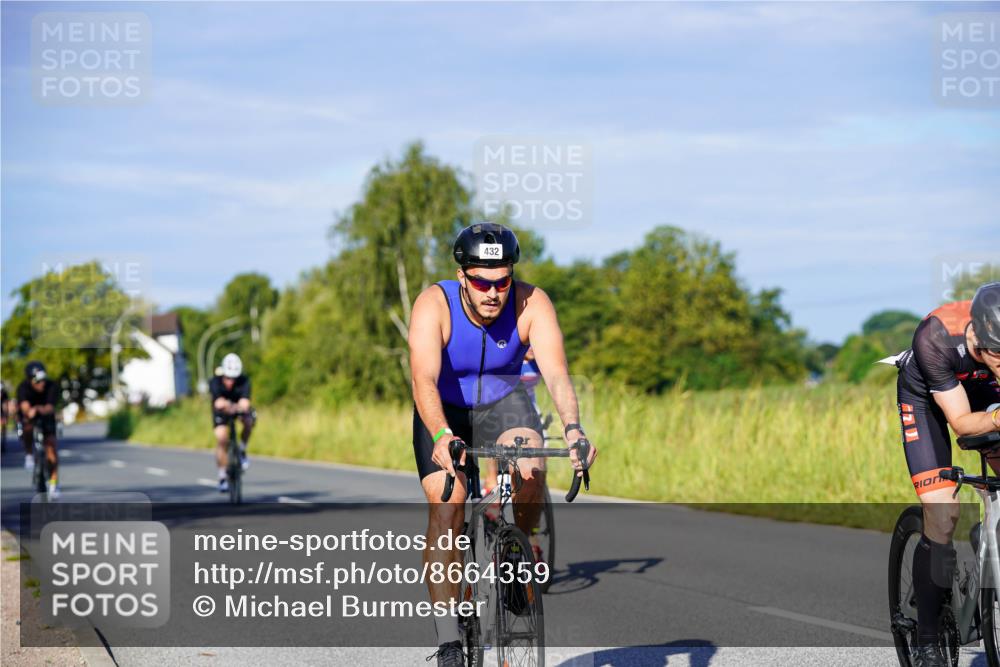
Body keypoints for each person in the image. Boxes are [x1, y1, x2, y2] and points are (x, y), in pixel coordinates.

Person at [409, 222, 597, 666]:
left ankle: (519, 547)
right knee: (446, 504)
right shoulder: (433, 304)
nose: (493, 292)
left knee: (529, 466)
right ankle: (448, 638)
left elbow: (555, 373)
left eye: (502, 281)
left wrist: (573, 429)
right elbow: (423, 379)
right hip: (446, 410)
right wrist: (440, 435)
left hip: (504, 403)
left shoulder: (533, 303)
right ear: (463, 278)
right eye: (481, 282)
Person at [895, 282, 1000, 667]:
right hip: (928, 400)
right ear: (978, 334)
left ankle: (991, 533)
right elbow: (960, 422)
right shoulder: (937, 336)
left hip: (982, 390)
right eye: (997, 352)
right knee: (943, 514)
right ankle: (925, 639)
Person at [209, 353, 255, 492]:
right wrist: (229, 405)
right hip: (221, 412)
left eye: (234, 378)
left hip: (237, 408)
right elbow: (218, 403)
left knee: (248, 421)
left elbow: (245, 403)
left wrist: (238, 407)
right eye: (228, 378)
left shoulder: (244, 381)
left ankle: (241, 451)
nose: (231, 381)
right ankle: (223, 476)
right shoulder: (215, 382)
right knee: (222, 438)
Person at [16, 361, 61, 499]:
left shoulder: (51, 386)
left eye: (43, 379)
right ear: (30, 380)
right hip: (30, 417)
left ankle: (54, 483)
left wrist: (39, 409)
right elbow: (24, 406)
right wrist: (29, 410)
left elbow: (50, 407)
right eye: (37, 380)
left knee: (51, 449)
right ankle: (29, 455)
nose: (41, 383)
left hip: (46, 416)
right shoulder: (23, 388)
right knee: (27, 427)